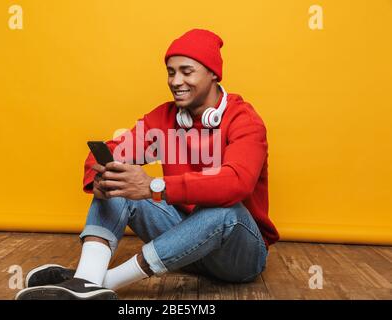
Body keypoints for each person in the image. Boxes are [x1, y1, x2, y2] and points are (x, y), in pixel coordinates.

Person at [15, 29, 280, 300]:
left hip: (237, 256)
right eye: (170, 72)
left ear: (213, 74)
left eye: (186, 71)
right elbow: (111, 151)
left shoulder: (244, 120)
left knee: (225, 211)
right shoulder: (164, 118)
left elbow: (236, 183)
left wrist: (155, 187)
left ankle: (104, 282)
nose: (176, 81)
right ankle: (86, 281)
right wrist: (101, 176)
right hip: (183, 244)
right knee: (119, 179)